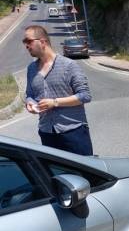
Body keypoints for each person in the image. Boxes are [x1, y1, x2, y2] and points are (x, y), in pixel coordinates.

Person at [23, 25, 93, 155]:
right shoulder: (31, 69)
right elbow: (30, 94)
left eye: (28, 41)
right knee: (55, 174)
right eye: (24, 42)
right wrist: (30, 103)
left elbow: (85, 95)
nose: (26, 46)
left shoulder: (69, 65)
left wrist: (55, 102)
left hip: (73, 132)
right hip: (46, 132)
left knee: (84, 174)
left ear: (42, 42)